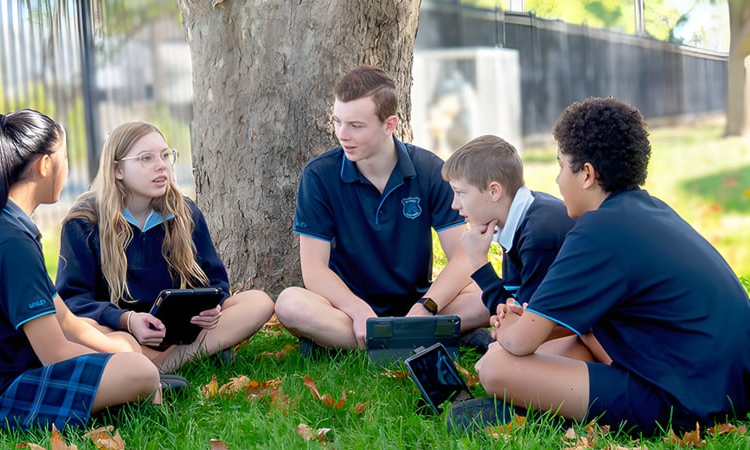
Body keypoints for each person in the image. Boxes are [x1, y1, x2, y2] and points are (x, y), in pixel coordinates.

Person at [448, 97, 750, 436]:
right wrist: (527, 320)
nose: (558, 180)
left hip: (683, 399)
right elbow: (573, 322)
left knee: (495, 366)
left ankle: (537, 414)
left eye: (561, 166)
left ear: (587, 174)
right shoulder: (649, 210)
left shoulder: (597, 231)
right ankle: (547, 403)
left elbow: (518, 344)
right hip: (724, 379)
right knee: (569, 344)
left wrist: (506, 328)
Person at [0, 110, 160, 431]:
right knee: (141, 373)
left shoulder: (7, 225)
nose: (68, 167)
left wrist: (121, 349)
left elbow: (66, 320)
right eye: (65, 157)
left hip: (4, 377)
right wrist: (131, 368)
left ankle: (132, 384)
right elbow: (55, 352)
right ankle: (138, 388)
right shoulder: (7, 240)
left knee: (124, 348)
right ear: (45, 165)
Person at [274, 65, 489, 354]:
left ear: (389, 125)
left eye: (356, 126)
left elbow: (462, 258)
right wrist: (359, 310)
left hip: (418, 302)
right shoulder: (318, 175)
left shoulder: (429, 169)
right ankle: (425, 337)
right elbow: (314, 270)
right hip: (348, 310)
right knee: (289, 303)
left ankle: (364, 342)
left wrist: (427, 306)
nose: (342, 134)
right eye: (337, 121)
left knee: (491, 294)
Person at [55, 121, 274, 373]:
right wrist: (126, 319)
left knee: (259, 302)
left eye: (165, 155)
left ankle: (163, 366)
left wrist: (211, 309)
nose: (161, 165)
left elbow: (215, 283)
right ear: (117, 170)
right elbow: (72, 301)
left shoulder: (185, 212)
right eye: (146, 158)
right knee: (72, 330)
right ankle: (191, 355)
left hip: (181, 332)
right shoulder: (84, 222)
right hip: (122, 334)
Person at [441, 134, 574, 323]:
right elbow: (513, 306)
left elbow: (527, 324)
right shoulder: (522, 215)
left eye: (460, 193)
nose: (454, 205)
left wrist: (478, 262)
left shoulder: (538, 235)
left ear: (494, 191)